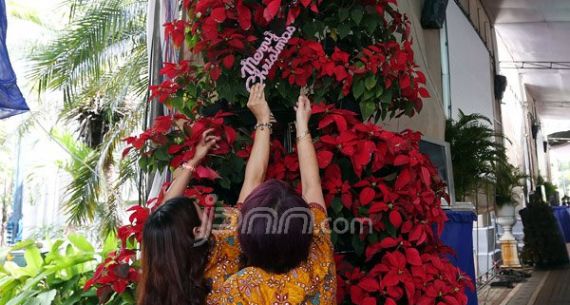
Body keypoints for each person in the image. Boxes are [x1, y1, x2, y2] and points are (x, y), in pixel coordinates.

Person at [137, 84, 270, 305]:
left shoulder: (160, 270)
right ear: (198, 231)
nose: (210, 214)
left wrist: (194, 160)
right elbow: (255, 179)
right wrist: (263, 119)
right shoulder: (223, 246)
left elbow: (165, 212)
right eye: (202, 213)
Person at [211, 92, 337, 305]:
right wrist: (302, 125)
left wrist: (262, 121)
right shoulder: (319, 255)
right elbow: (311, 185)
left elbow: (252, 181)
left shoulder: (237, 290)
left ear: (246, 238)